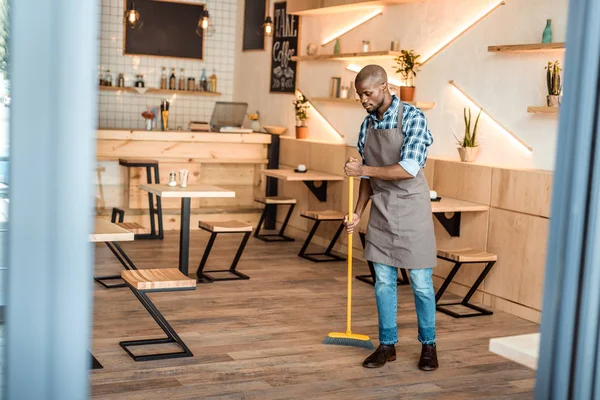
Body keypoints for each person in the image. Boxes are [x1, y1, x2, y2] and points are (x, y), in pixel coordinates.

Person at [343, 64, 438, 371]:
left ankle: (428, 345)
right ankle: (387, 345)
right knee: (383, 282)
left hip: (412, 208)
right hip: (382, 209)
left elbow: (408, 168)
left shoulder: (413, 117)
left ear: (384, 87)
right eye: (360, 95)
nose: (363, 100)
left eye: (367, 93)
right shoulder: (366, 124)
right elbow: (367, 180)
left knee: (421, 283)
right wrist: (358, 213)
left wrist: (364, 169)